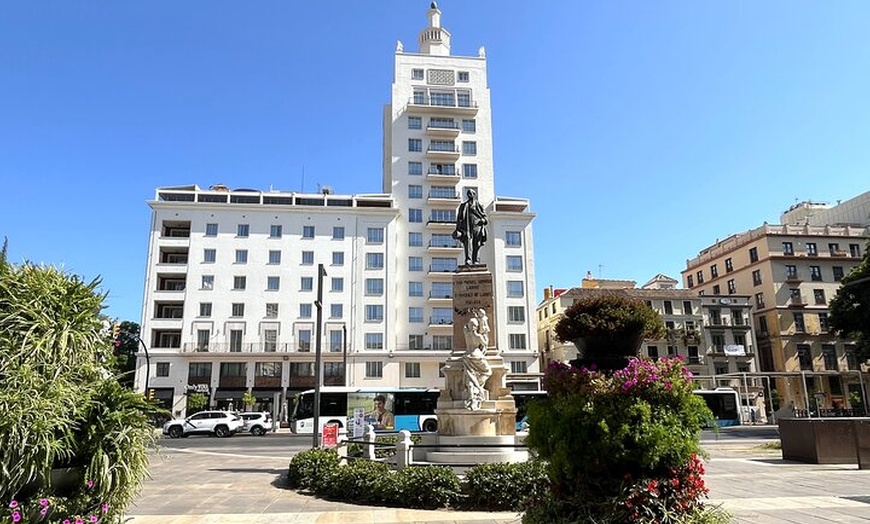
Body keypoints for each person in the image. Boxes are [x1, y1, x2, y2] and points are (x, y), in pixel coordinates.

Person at [453, 188, 488, 265]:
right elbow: (459, 219)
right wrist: (458, 229)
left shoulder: (478, 205)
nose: (469, 194)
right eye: (468, 193)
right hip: (467, 228)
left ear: (474, 195)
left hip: (477, 228)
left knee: (477, 244)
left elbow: (485, 218)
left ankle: (476, 260)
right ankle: (468, 260)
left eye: (471, 193)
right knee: (468, 244)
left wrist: (482, 220)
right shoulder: (463, 206)